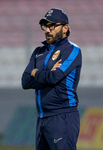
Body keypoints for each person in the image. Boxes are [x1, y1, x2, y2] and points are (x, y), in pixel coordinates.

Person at [21, 8, 82, 150]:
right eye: (45, 26)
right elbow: (25, 81)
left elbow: (54, 77)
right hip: (42, 118)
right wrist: (45, 75)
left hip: (63, 116)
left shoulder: (72, 50)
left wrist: (35, 72)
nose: (47, 30)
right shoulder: (38, 52)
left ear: (65, 28)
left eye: (52, 26)